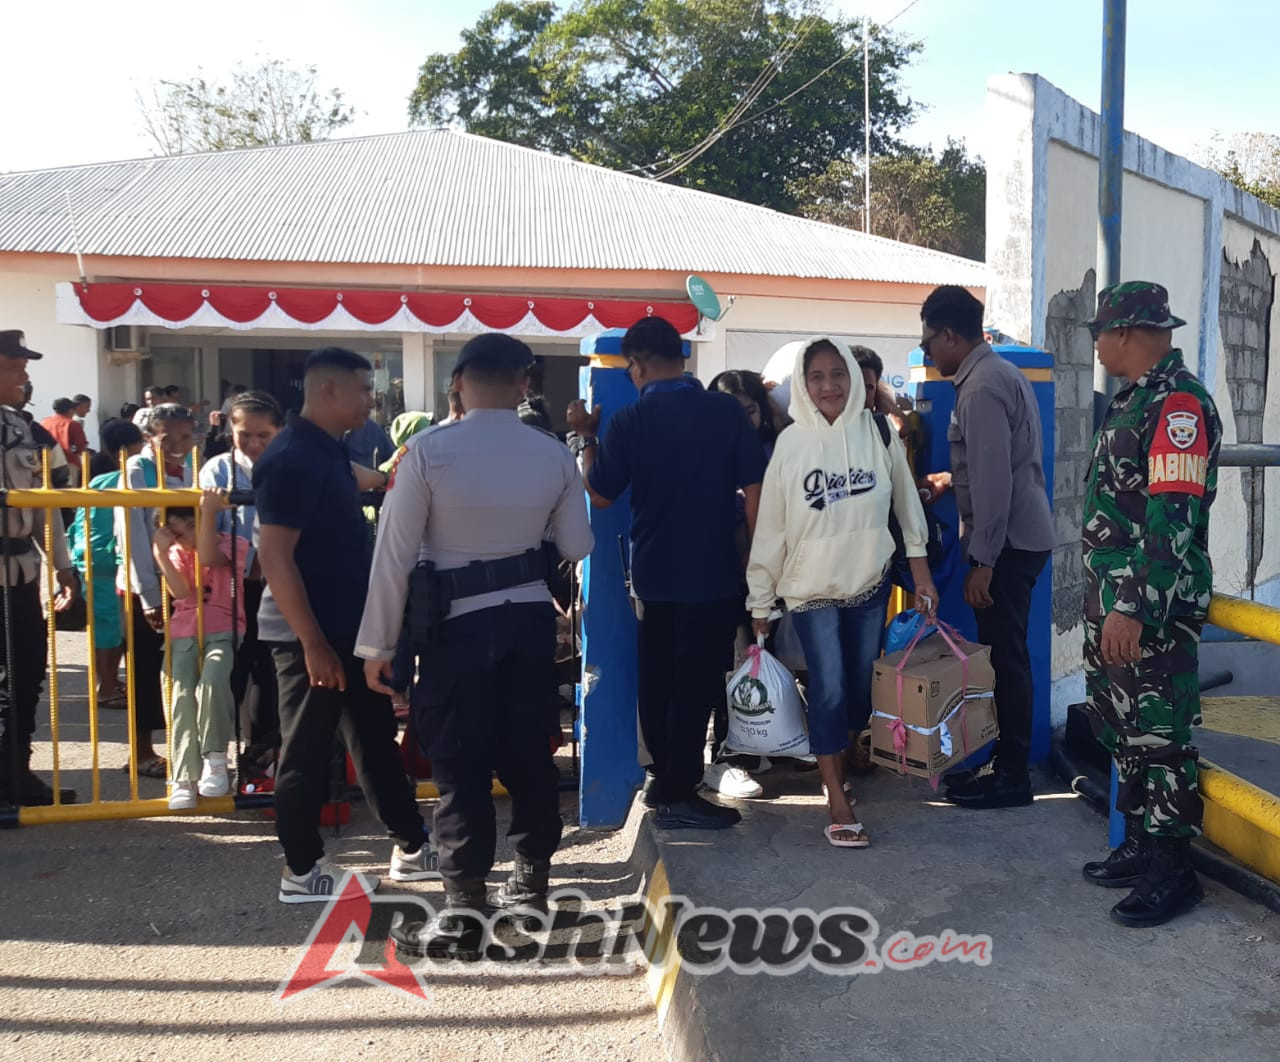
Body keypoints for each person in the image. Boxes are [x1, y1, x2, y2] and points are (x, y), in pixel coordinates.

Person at [357, 333, 594, 953]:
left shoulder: (427, 453)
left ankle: (464, 912)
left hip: (452, 631)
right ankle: (532, 889)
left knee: (459, 766)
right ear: (524, 384)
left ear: (457, 382)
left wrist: (376, 646)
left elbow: (393, 556)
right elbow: (576, 547)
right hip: (526, 626)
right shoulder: (551, 454)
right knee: (528, 758)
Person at [567, 316, 767, 830]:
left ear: (634, 367)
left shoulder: (629, 420)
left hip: (654, 573)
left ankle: (664, 781)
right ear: (683, 359)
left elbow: (602, 493)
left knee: (657, 681)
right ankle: (680, 792)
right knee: (696, 683)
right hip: (715, 572)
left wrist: (585, 437)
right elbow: (755, 495)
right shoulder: (725, 412)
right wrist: (758, 565)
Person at [254, 347, 435, 903]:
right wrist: (312, 644)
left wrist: (398, 472)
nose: (371, 400)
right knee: (306, 750)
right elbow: (275, 557)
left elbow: (368, 480)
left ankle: (411, 844)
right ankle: (302, 871)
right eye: (363, 390)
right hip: (308, 634)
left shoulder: (325, 451)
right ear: (328, 391)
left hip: (346, 630)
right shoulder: (288, 459)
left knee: (375, 738)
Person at [747, 337, 938, 848]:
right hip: (811, 591)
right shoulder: (791, 445)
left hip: (869, 585)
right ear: (802, 386)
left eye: (838, 374)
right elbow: (771, 528)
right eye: (816, 376)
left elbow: (906, 505)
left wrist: (920, 574)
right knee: (829, 688)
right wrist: (760, 600)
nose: (829, 385)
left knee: (856, 694)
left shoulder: (877, 432)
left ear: (854, 379)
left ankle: (839, 751)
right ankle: (836, 795)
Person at [1077, 282, 1221, 928]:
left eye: (1100, 334)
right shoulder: (1136, 400)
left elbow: (1172, 519)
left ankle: (1173, 871)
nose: (1098, 345)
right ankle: (1139, 843)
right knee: (1126, 728)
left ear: (1128, 333)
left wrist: (1133, 606)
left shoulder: (1178, 405)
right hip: (1115, 601)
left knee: (1160, 739)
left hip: (1148, 607)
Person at [918, 285, 1055, 809]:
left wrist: (983, 561)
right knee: (1005, 656)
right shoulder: (997, 374)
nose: (929, 352)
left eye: (930, 341)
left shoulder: (979, 389)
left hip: (1007, 544)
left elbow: (995, 484)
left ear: (951, 334)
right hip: (1019, 536)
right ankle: (1006, 765)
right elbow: (993, 467)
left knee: (1006, 659)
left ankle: (1012, 776)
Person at [0, 330, 79, 805]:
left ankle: (15, 772)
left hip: (21, 575)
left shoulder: (31, 432)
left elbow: (51, 507)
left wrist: (64, 568)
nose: (24, 376)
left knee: (25, 675)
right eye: (13, 367)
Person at [702, 369, 780, 798]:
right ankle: (725, 757)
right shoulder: (705, 450)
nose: (740, 419)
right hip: (723, 570)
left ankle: (756, 740)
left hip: (769, 568)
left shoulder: (778, 448)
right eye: (730, 410)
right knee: (727, 662)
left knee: (760, 658)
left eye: (748, 410)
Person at [199, 391, 284, 780]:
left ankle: (261, 751)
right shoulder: (216, 471)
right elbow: (209, 532)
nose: (253, 442)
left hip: (278, 586)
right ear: (230, 429)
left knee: (269, 669)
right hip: (231, 587)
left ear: (279, 431)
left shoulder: (288, 466)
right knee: (230, 668)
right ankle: (215, 754)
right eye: (244, 433)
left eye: (262, 434)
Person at [116, 403, 198, 777]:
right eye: (168, 438)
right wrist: (148, 594)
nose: (178, 445)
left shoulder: (192, 468)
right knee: (146, 668)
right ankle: (142, 751)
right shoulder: (138, 471)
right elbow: (132, 536)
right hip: (146, 584)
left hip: (184, 582)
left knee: (181, 670)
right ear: (150, 437)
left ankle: (183, 748)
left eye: (185, 436)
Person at [151, 491, 245, 810]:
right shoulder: (176, 552)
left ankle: (216, 759)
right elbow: (180, 591)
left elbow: (209, 558)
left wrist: (207, 514)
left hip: (222, 627)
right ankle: (183, 777)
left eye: (192, 526)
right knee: (179, 697)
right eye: (179, 532)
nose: (187, 536)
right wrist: (161, 554)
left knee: (213, 683)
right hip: (183, 632)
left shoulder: (233, 543)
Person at [69, 418, 145, 709]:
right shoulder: (132, 479)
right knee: (112, 630)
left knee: (107, 628)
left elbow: (78, 522)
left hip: (91, 559)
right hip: (109, 562)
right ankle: (107, 689)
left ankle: (110, 681)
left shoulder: (99, 480)